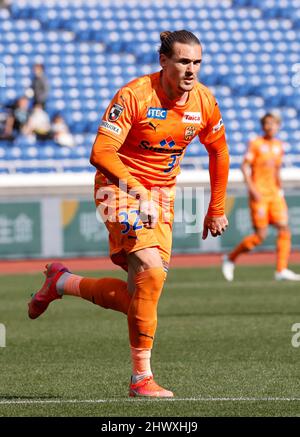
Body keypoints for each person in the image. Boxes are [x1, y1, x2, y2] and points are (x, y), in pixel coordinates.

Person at [28, 30, 230, 397]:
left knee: (144, 295)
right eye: (184, 61)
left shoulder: (204, 102)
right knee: (151, 273)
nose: (191, 70)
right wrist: (138, 193)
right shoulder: (134, 95)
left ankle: (62, 282)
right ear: (163, 61)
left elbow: (219, 150)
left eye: (197, 62)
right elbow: (101, 151)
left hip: (162, 197)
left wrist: (215, 208)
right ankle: (141, 380)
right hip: (117, 189)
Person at [222, 113, 300, 282]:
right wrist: (252, 190)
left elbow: (277, 170)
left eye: (273, 124)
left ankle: (281, 269)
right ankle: (231, 258)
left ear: (278, 126)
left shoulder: (279, 145)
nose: (270, 127)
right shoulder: (256, 143)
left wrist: (280, 189)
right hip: (260, 195)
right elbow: (244, 167)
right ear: (263, 126)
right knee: (260, 236)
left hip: (275, 194)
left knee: (284, 228)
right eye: (267, 124)